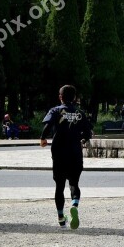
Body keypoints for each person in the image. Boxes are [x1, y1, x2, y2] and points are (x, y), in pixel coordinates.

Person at [40, 85, 93, 230]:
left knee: (59, 186)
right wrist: (81, 138)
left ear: (60, 96)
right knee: (74, 183)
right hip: (75, 152)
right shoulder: (80, 113)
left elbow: (47, 127)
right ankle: (74, 204)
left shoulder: (55, 110)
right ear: (74, 98)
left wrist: (43, 139)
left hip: (59, 152)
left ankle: (61, 218)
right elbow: (88, 134)